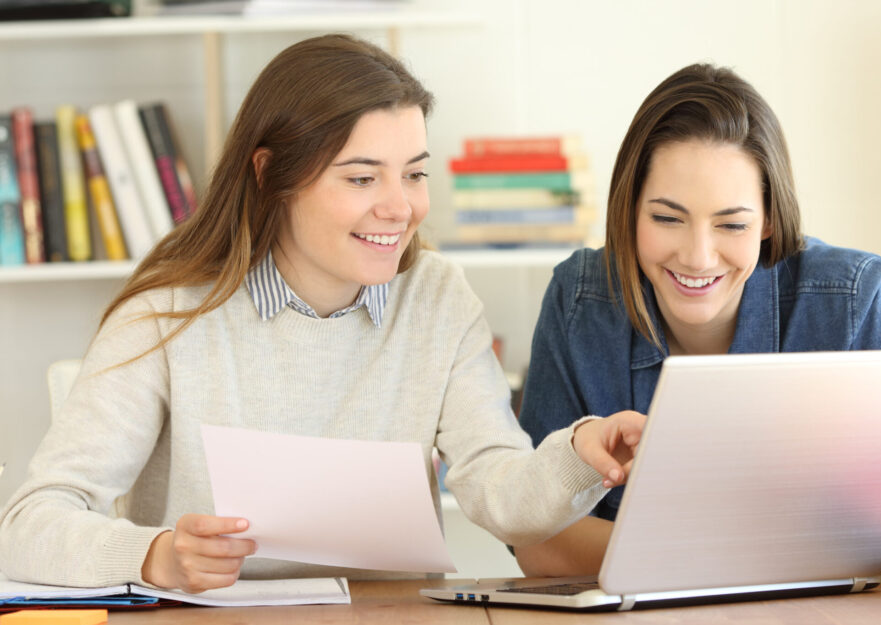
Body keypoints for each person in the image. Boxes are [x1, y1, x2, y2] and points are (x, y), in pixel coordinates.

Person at [0, 34, 645, 593]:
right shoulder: (167, 315)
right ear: (270, 174)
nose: (400, 208)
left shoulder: (437, 296)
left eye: (413, 174)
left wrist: (581, 458)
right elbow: (30, 523)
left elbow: (500, 492)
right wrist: (156, 555)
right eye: (362, 178)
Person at [514, 63, 881, 577]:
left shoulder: (859, 301)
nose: (698, 257)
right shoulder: (582, 301)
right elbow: (537, 537)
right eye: (667, 218)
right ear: (628, 210)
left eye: (732, 224)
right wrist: (764, 550)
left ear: (768, 220)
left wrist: (684, 552)